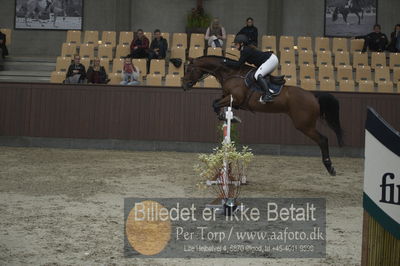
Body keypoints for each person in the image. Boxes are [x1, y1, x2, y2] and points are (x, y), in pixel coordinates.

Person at [223, 35, 278, 103]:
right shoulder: (245, 49)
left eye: (236, 44)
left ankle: (268, 95)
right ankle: (270, 89)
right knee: (259, 75)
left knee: (257, 75)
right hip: (270, 60)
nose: (235, 45)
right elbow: (240, 63)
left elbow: (238, 65)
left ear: (242, 43)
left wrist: (225, 61)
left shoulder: (245, 50)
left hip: (270, 60)